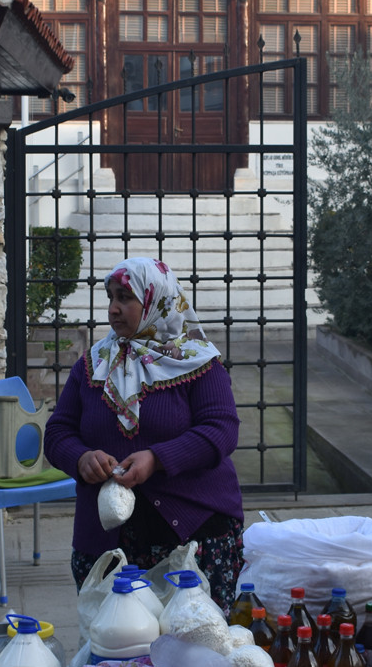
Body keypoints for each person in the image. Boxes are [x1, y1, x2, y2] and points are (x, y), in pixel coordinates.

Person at [44, 257, 244, 613]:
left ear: (156, 301)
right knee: (115, 655)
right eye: (110, 297)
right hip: (109, 547)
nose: (113, 309)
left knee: (194, 655)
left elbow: (222, 430)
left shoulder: (198, 362)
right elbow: (59, 431)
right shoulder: (94, 364)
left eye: (125, 297)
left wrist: (157, 459)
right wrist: (80, 457)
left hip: (194, 537)